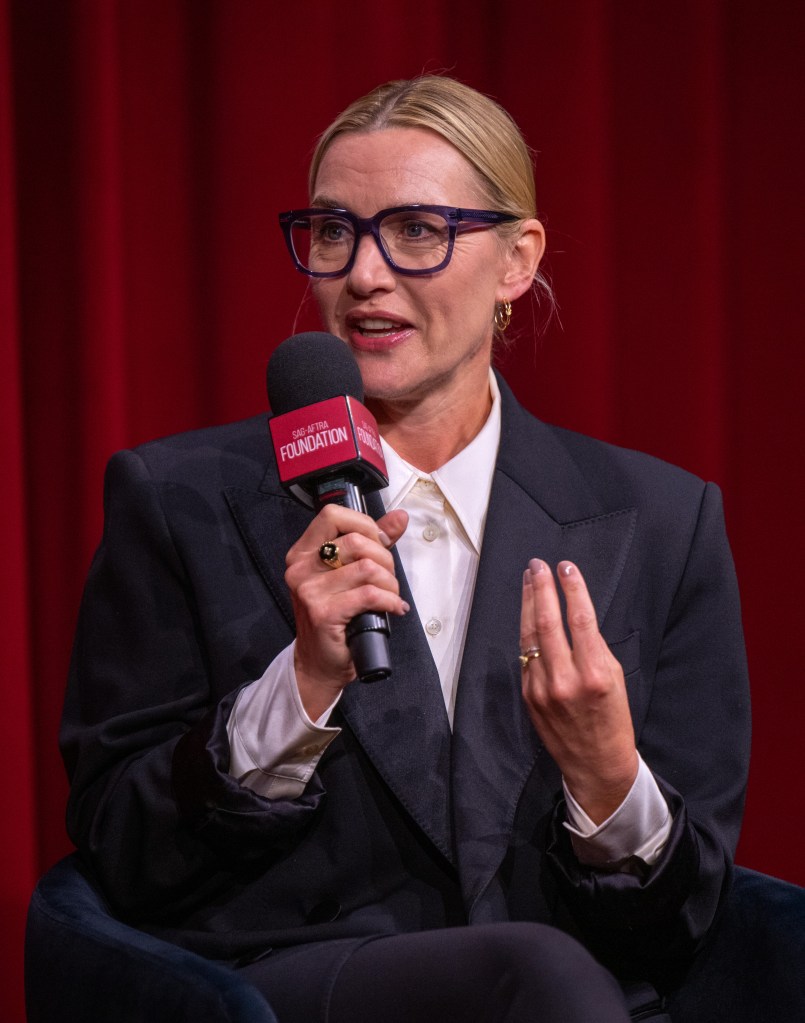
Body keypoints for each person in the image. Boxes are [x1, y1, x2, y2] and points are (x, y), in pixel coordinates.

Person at [61, 77, 750, 1022]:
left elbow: (692, 915)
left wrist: (608, 780)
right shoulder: (178, 501)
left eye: (417, 229)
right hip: (298, 986)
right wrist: (293, 695)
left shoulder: (661, 521)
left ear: (517, 259)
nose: (364, 275)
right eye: (335, 231)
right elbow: (118, 849)